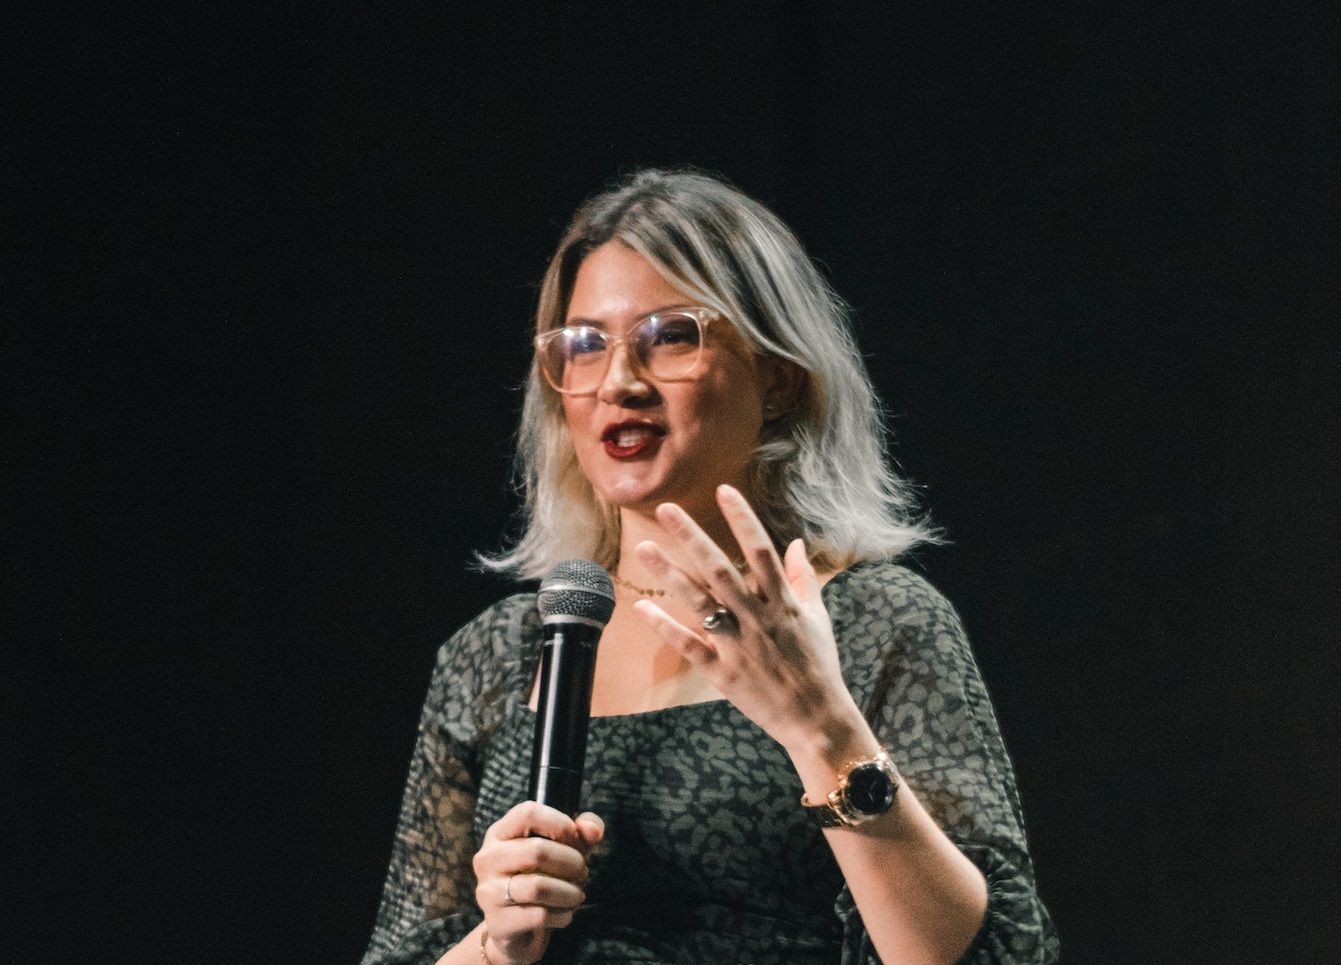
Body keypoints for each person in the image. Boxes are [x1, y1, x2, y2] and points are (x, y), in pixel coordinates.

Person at [361, 169, 1059, 965]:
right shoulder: (494, 654)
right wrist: (494, 944)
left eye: (670, 336)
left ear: (777, 375)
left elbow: (1001, 955)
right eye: (585, 345)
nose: (619, 381)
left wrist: (821, 728)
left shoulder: (878, 621)